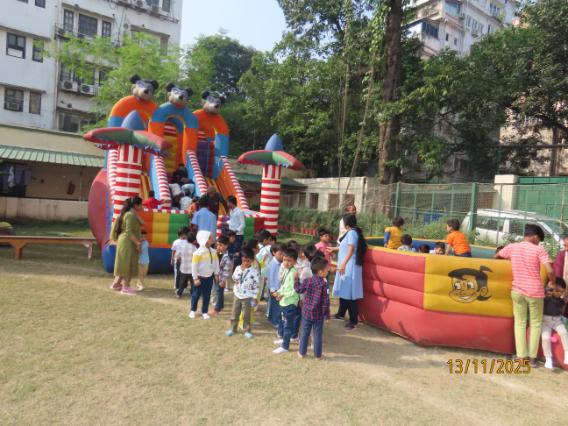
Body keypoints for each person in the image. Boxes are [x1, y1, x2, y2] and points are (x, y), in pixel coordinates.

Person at [497, 224, 555, 368]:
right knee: (535, 324)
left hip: (517, 291)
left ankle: (521, 357)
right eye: (539, 240)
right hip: (535, 292)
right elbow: (549, 270)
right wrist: (552, 282)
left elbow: (497, 256)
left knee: (520, 323)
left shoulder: (512, 247)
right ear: (535, 236)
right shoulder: (539, 250)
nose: (539, 242)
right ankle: (532, 359)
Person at [328, 214, 367, 330]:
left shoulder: (352, 233)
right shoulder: (351, 233)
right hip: (347, 266)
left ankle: (353, 321)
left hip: (350, 267)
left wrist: (343, 264)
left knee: (350, 293)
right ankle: (340, 314)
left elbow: (351, 250)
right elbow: (345, 247)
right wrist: (334, 249)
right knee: (344, 290)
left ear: (346, 224)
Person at [295, 257, 331, 359]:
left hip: (306, 312)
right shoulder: (324, 284)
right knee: (317, 335)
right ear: (320, 272)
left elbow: (298, 289)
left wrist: (296, 280)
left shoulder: (308, 281)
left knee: (304, 333)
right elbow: (325, 302)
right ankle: (318, 355)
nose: (328, 270)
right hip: (318, 315)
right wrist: (326, 315)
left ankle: (301, 353)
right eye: (327, 269)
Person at [109, 196, 143, 295]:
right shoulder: (130, 215)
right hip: (127, 242)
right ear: (135, 205)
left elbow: (142, 222)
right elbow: (129, 232)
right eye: (141, 204)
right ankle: (125, 287)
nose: (142, 206)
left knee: (124, 263)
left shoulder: (130, 214)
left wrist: (135, 213)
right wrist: (137, 243)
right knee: (128, 264)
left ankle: (116, 284)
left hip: (127, 241)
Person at [226, 248, 260, 339]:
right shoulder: (238, 268)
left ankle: (247, 330)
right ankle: (233, 329)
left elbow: (256, 285)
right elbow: (234, 278)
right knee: (234, 313)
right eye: (244, 260)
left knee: (246, 315)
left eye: (248, 261)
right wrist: (241, 270)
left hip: (248, 297)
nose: (245, 263)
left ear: (252, 260)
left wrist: (255, 297)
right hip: (237, 295)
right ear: (241, 259)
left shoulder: (254, 272)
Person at [273, 248, 300, 354]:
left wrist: (282, 295)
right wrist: (278, 293)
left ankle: (285, 346)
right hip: (284, 302)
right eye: (284, 260)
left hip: (290, 303)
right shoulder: (286, 270)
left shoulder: (294, 273)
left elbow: (295, 291)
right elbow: (284, 286)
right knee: (284, 322)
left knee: (287, 324)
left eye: (289, 260)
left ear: (294, 261)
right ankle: (285, 339)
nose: (286, 262)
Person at [189, 230, 220, 319]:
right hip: (199, 278)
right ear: (204, 239)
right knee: (196, 295)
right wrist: (195, 278)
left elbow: (216, 263)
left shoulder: (213, 252)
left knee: (207, 296)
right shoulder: (197, 253)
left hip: (209, 278)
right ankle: (193, 310)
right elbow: (194, 266)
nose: (212, 239)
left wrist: (216, 273)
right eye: (209, 238)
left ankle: (204, 312)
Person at [542, 278, 568, 369]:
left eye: (561, 292)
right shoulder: (547, 297)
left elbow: (562, 311)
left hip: (557, 320)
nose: (559, 293)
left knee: (564, 332)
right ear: (553, 289)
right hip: (546, 321)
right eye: (557, 291)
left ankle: (567, 352)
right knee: (545, 337)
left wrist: (565, 302)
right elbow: (545, 291)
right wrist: (549, 288)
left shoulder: (561, 300)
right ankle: (548, 358)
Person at [267, 243, 286, 328]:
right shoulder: (273, 264)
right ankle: (275, 321)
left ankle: (274, 320)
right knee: (275, 306)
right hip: (275, 289)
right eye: (280, 254)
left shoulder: (280, 263)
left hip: (279, 289)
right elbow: (271, 278)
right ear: (274, 253)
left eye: (283, 254)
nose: (282, 256)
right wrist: (273, 290)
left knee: (276, 306)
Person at [213, 236, 232, 314]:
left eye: (220, 245)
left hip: (221, 278)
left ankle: (217, 309)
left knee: (219, 292)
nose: (218, 247)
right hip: (216, 276)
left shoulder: (227, 257)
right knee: (218, 291)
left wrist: (223, 280)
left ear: (226, 246)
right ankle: (221, 305)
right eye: (217, 245)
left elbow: (226, 270)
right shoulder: (216, 253)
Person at [176, 232, 197, 298]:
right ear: (194, 240)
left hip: (183, 267)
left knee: (182, 282)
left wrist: (180, 259)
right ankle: (193, 293)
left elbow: (177, 256)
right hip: (192, 268)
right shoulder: (194, 248)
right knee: (193, 282)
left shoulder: (182, 246)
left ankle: (179, 294)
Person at [227, 195, 245, 265]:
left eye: (228, 202)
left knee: (237, 252)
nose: (227, 204)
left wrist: (235, 231)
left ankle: (237, 266)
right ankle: (231, 265)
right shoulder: (231, 211)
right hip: (231, 234)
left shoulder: (239, 212)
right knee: (230, 250)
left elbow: (243, 224)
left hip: (237, 235)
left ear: (231, 203)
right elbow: (232, 221)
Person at [256, 230, 273, 300]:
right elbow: (264, 262)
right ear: (265, 240)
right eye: (269, 240)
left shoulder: (257, 247)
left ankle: (261, 296)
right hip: (262, 270)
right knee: (261, 285)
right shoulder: (266, 249)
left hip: (258, 270)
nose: (270, 242)